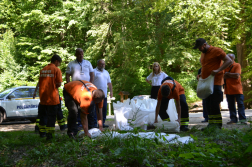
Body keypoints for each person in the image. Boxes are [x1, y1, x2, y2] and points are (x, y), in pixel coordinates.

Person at [193, 38, 232, 130]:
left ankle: (217, 127)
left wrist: (218, 70)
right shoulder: (203, 54)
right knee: (207, 104)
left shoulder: (217, 51)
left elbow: (229, 61)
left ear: (204, 45)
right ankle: (211, 125)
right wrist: (200, 75)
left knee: (214, 104)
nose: (199, 49)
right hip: (206, 82)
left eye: (200, 47)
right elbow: (205, 66)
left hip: (216, 82)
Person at [66, 48, 95, 129]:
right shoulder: (71, 64)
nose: (81, 55)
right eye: (79, 54)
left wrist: (91, 84)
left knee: (87, 105)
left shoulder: (88, 63)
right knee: (76, 106)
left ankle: (89, 124)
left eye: (82, 54)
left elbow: (92, 74)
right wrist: (69, 86)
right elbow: (67, 76)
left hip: (87, 89)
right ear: (75, 54)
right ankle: (78, 124)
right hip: (76, 89)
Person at [38, 54, 62, 140]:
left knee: (43, 116)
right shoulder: (56, 70)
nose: (59, 65)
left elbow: (40, 83)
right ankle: (49, 136)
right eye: (59, 63)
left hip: (43, 98)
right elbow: (59, 84)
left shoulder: (43, 70)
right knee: (51, 117)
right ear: (56, 61)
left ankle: (42, 133)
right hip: (52, 98)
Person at [224, 54, 247, 124]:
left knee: (240, 104)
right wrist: (230, 74)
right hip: (228, 89)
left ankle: (242, 119)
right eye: (227, 58)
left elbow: (237, 75)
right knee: (231, 105)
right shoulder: (224, 66)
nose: (228, 59)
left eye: (230, 58)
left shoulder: (237, 65)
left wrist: (227, 74)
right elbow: (223, 76)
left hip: (237, 89)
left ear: (233, 59)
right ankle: (233, 119)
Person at [93, 59, 113, 128]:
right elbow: (91, 82)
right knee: (96, 109)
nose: (102, 65)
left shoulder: (106, 72)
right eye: (101, 64)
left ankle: (102, 123)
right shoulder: (93, 71)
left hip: (104, 94)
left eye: (103, 64)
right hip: (96, 95)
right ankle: (95, 124)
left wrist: (111, 92)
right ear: (98, 64)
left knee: (104, 108)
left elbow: (109, 83)